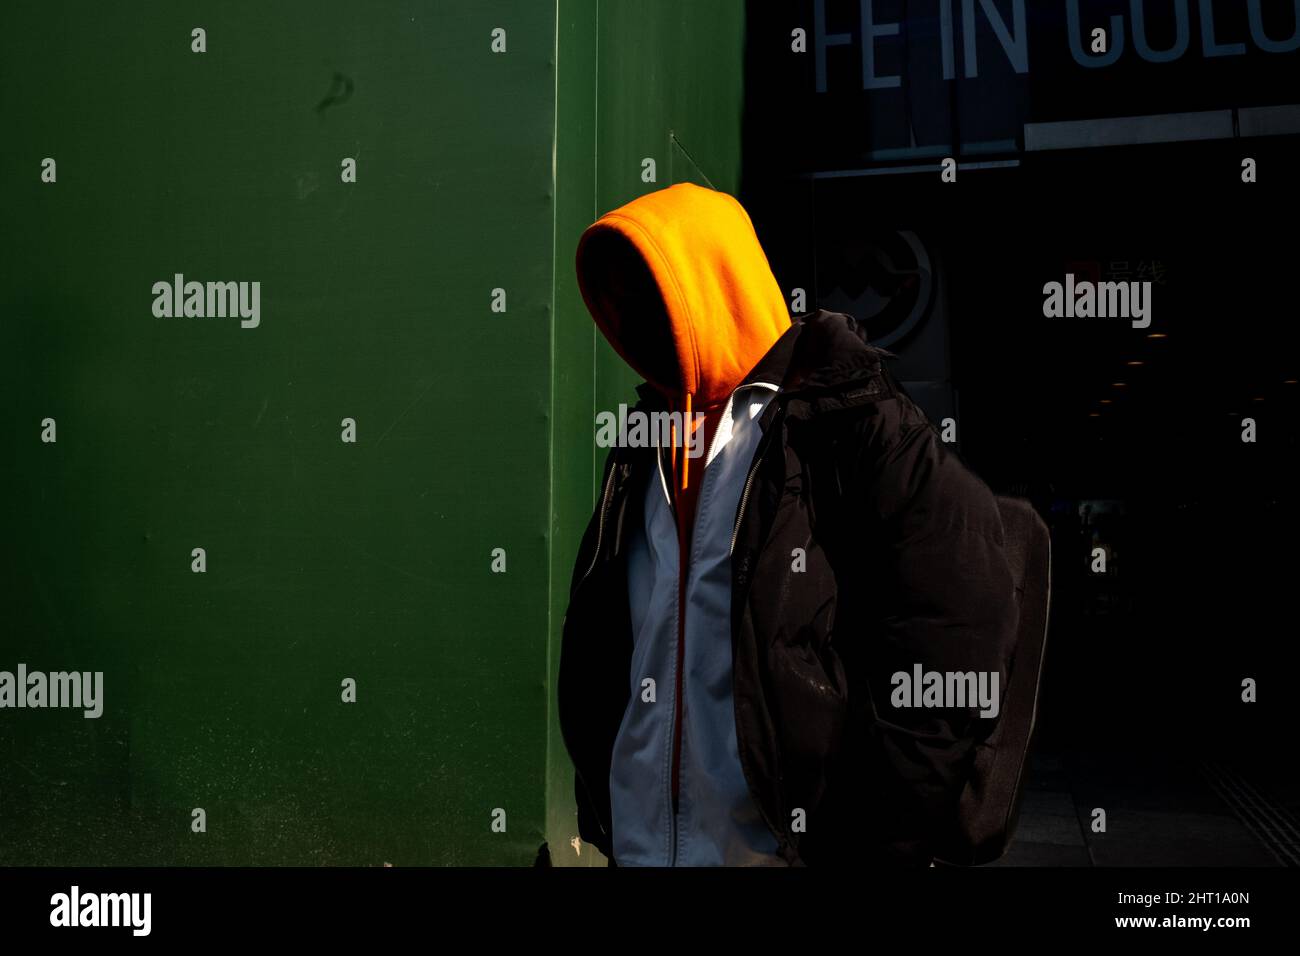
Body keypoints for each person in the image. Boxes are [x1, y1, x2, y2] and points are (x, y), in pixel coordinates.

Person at [557, 182, 1017, 866]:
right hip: (640, 849)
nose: (636, 313)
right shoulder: (644, 441)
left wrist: (870, 843)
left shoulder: (857, 423)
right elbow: (615, 642)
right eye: (621, 295)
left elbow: (955, 635)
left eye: (653, 286)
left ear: (717, 281)